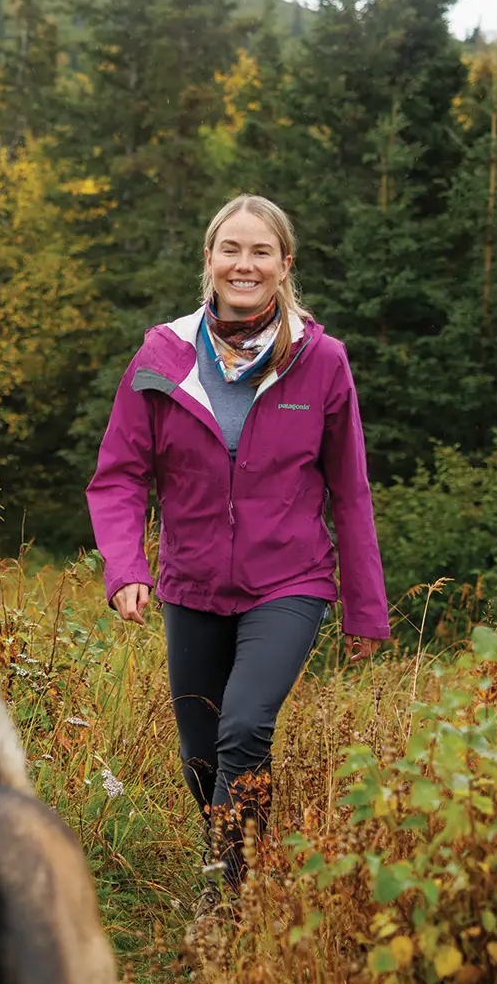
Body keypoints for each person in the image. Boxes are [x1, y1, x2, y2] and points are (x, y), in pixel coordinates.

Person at [86, 194, 389, 914]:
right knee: (200, 756)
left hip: (290, 580)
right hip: (190, 584)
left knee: (246, 724)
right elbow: (120, 475)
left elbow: (350, 491)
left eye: (260, 252)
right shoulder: (162, 354)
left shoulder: (321, 361)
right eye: (231, 249)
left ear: (285, 265)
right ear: (210, 259)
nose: (243, 264)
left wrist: (364, 610)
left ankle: (225, 900)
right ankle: (246, 862)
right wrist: (127, 568)